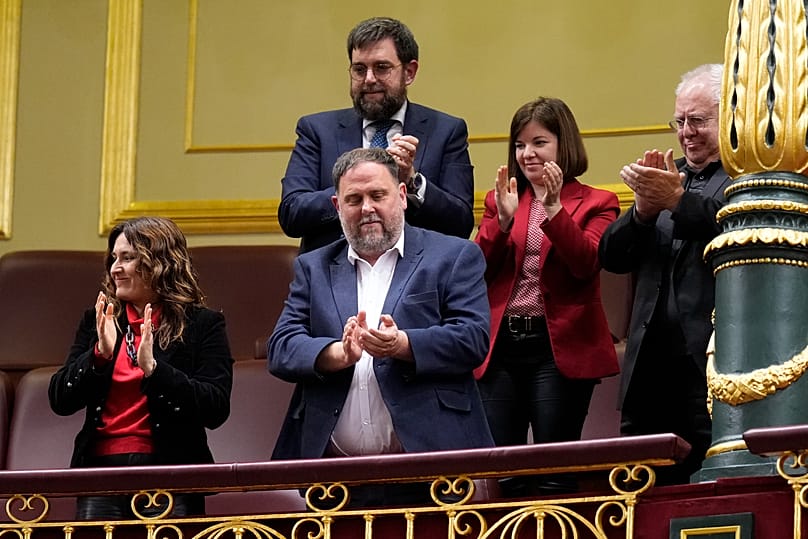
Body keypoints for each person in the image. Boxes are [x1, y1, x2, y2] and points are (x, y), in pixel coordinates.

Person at [269, 147, 493, 507]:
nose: (367, 208)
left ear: (402, 196)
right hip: (331, 481)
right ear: (337, 206)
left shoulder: (453, 256)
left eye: (378, 195)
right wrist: (335, 353)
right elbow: (282, 346)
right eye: (354, 199)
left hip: (433, 472)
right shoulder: (314, 266)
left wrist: (403, 344)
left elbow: (472, 338)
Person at [474, 97, 620, 496]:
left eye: (539, 142)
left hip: (559, 349)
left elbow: (585, 264)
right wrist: (501, 223)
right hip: (501, 347)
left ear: (563, 145)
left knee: (554, 472)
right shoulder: (500, 199)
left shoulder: (597, 202)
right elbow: (475, 272)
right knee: (500, 472)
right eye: (520, 145)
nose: (528, 154)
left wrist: (554, 210)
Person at [48, 216, 234, 520]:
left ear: (160, 262)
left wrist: (155, 371)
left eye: (128, 258)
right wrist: (98, 354)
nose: (115, 268)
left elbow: (215, 408)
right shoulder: (99, 321)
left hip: (171, 476)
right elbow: (60, 399)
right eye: (113, 259)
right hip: (99, 475)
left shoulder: (202, 325)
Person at [598, 63, 731, 485]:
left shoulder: (743, 177)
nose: (686, 132)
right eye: (680, 121)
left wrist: (676, 200)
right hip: (649, 368)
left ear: (727, 116)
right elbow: (612, 257)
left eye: (698, 121)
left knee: (708, 483)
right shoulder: (665, 180)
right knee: (645, 484)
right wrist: (642, 210)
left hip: (709, 362)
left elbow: (730, 225)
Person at [278, 17, 475, 253]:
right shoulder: (317, 130)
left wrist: (412, 182)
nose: (369, 79)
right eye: (359, 69)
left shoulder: (445, 131)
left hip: (417, 278)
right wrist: (354, 190)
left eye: (382, 67)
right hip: (334, 278)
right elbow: (291, 214)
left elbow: (461, 224)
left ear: (409, 72)